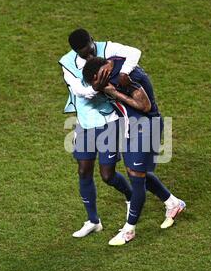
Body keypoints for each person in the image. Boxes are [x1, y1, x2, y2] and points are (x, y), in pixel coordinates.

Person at [83, 56, 186, 246]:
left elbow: (145, 106)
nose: (95, 86)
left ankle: (129, 230)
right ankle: (173, 203)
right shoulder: (113, 67)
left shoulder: (123, 78)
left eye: (95, 81)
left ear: (100, 73)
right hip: (134, 127)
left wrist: (114, 92)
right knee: (137, 172)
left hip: (146, 126)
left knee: (137, 178)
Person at [58, 29, 142, 238]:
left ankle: (132, 196)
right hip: (85, 124)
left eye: (90, 51)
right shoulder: (67, 63)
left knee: (107, 175)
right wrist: (98, 86)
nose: (88, 57)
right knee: (83, 170)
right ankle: (93, 221)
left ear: (92, 41)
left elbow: (135, 52)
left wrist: (125, 72)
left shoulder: (108, 48)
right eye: (83, 54)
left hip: (109, 122)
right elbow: (80, 91)